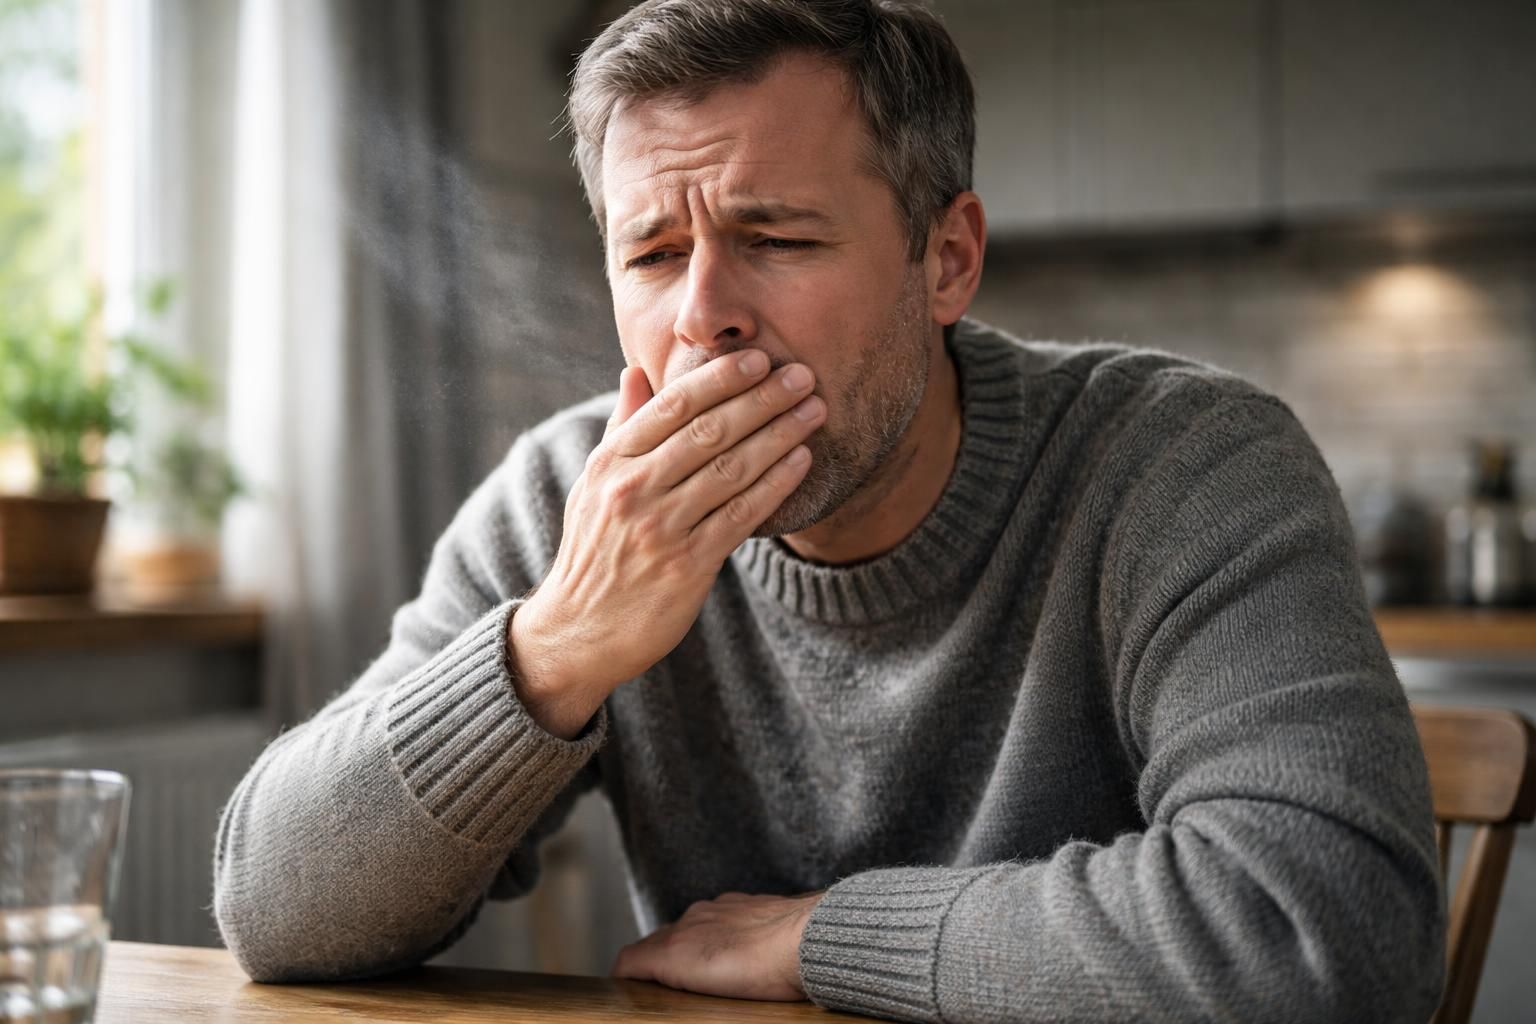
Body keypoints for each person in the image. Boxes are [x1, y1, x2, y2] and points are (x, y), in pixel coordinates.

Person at [212, 1, 1446, 1020]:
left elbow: (1328, 934)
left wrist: (822, 940)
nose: (703, 315)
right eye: (649, 255)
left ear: (946, 259)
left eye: (776, 236)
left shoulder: (1180, 465)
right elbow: (270, 904)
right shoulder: (573, 499)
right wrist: (555, 649)